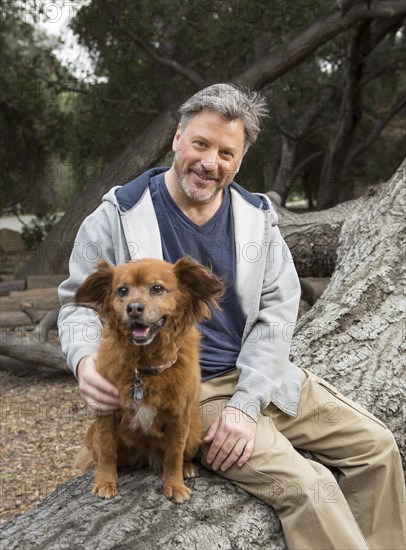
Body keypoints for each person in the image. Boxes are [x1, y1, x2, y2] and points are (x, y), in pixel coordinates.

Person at [58, 83, 405, 550]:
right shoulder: (118, 214)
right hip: (191, 390)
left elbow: (279, 311)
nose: (210, 162)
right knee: (309, 490)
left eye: (226, 152)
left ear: (239, 161)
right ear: (178, 137)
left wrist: (248, 402)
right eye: (201, 143)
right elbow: (74, 304)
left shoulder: (256, 219)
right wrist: (83, 361)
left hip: (265, 376)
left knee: (377, 449)